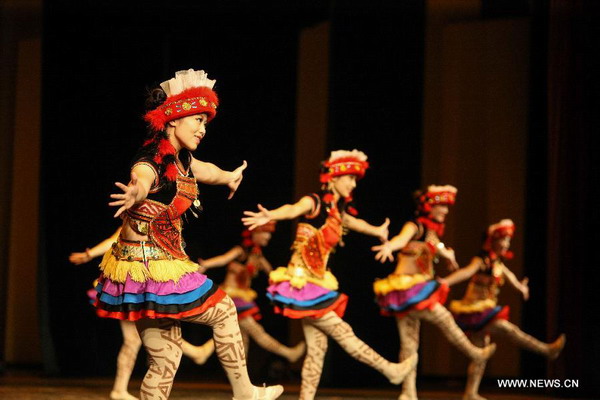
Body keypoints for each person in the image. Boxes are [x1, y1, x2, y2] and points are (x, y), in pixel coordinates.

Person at [94, 69, 283, 400]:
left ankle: (244, 392)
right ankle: (245, 393)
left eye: (205, 123)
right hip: (148, 267)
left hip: (150, 266)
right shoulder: (152, 158)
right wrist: (135, 193)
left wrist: (227, 176)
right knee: (224, 311)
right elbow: (142, 177)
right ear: (172, 120)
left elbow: (205, 170)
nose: (202, 128)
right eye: (197, 119)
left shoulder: (182, 158)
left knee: (167, 358)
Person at [243, 150, 417, 400]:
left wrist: (377, 230)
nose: (353, 184)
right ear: (334, 178)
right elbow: (294, 208)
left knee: (318, 349)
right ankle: (389, 370)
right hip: (302, 284)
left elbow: (354, 223)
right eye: (350, 178)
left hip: (317, 283)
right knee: (344, 332)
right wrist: (272, 214)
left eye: (356, 180)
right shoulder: (315, 202)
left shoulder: (337, 211)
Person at [372, 185, 496, 400]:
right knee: (443, 318)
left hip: (412, 290)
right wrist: (390, 247)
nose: (445, 211)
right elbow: (402, 238)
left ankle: (408, 393)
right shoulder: (415, 226)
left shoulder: (430, 232)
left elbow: (437, 246)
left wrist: (447, 255)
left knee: (410, 343)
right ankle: (474, 352)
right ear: (429, 206)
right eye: (441, 206)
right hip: (408, 288)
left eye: (447, 207)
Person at [442, 219, 565, 400]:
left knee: (480, 354)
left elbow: (511, 278)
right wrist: (446, 281)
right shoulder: (482, 260)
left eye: (508, 241)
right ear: (493, 241)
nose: (506, 244)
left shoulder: (498, 263)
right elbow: (467, 272)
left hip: (483, 312)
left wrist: (521, 288)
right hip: (475, 311)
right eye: (503, 240)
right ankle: (546, 350)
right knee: (510, 330)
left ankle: (470, 393)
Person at [186, 222, 306, 365]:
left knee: (240, 338)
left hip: (243, 297)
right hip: (233, 298)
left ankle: (230, 368)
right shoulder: (240, 251)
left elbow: (272, 274)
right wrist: (206, 264)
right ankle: (288, 353)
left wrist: (291, 280)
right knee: (256, 332)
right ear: (256, 233)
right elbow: (224, 259)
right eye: (266, 233)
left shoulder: (258, 256)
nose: (268, 237)